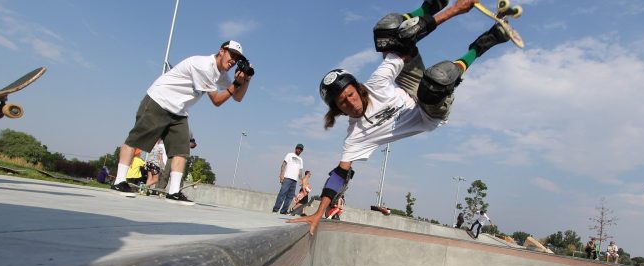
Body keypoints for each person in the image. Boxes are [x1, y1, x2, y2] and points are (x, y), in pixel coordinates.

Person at [289, 0, 515, 234]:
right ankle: (486, 41)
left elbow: (405, 45)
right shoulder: (354, 137)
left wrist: (456, 10)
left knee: (387, 31)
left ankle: (431, 5)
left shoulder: (377, 81)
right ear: (337, 109)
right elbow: (339, 175)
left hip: (409, 87)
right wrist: (318, 212)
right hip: (430, 111)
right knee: (436, 79)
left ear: (357, 88)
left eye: (350, 95)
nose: (351, 103)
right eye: (343, 103)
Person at [110, 40, 252, 205]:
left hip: (179, 111)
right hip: (159, 100)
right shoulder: (204, 66)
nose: (233, 61)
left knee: (181, 151)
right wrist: (236, 83)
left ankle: (174, 191)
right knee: (136, 140)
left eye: (237, 58)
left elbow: (238, 97)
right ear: (221, 51)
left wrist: (246, 81)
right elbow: (217, 100)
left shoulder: (221, 75)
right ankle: (119, 181)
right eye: (231, 55)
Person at [272, 144, 305, 214]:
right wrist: (281, 175)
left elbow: (300, 171)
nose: (299, 150)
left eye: (300, 149)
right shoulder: (290, 155)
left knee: (290, 197)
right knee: (282, 194)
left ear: (302, 151)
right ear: (295, 148)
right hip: (287, 178)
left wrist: (301, 180)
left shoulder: (301, 160)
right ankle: (275, 209)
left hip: (294, 180)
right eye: (298, 148)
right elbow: (283, 164)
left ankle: (283, 211)